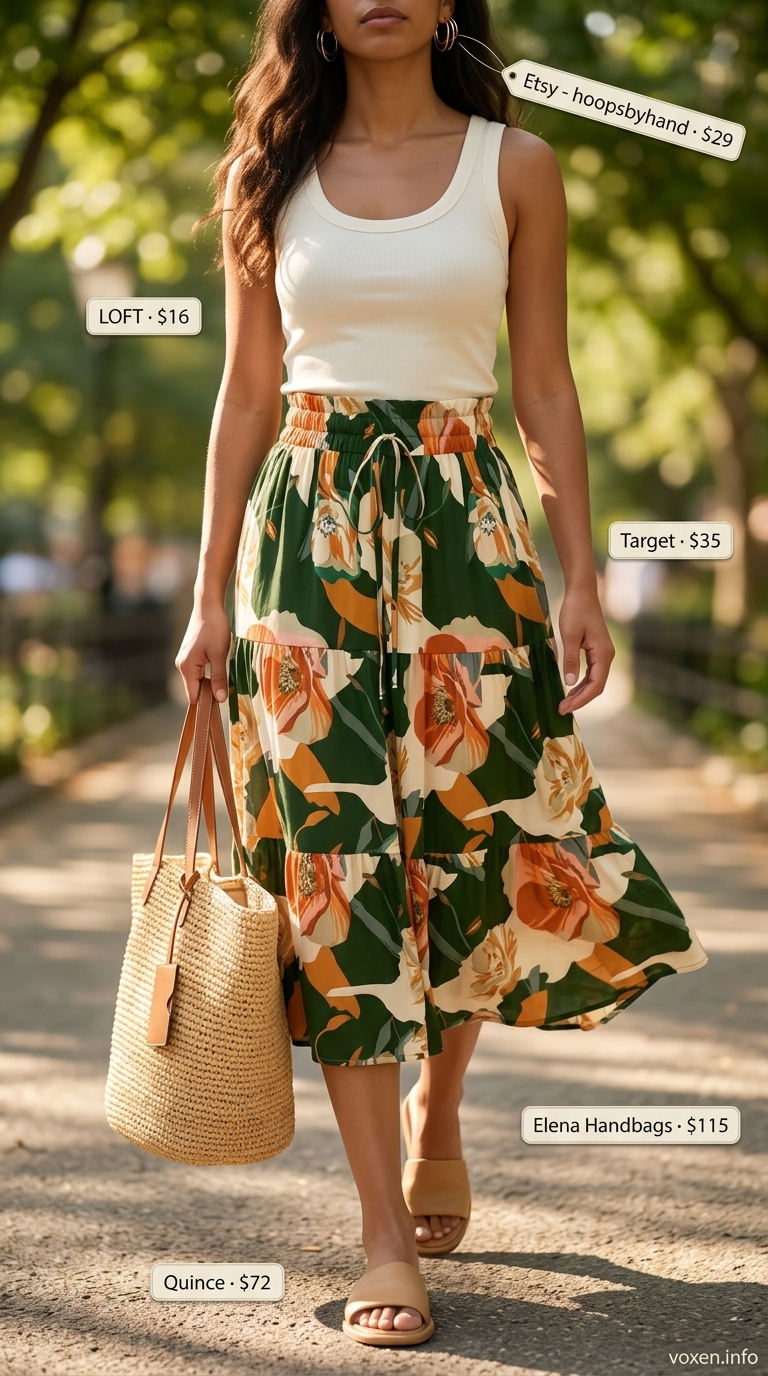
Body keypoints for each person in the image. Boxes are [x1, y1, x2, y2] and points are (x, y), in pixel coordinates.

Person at [176, 0, 708, 1347]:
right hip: (308, 544)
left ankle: (440, 1107)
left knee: (468, 844)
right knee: (338, 865)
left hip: (469, 532)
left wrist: (583, 574)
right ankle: (373, 1230)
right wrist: (205, 598)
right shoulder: (263, 175)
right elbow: (244, 395)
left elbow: (547, 384)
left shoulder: (514, 167)